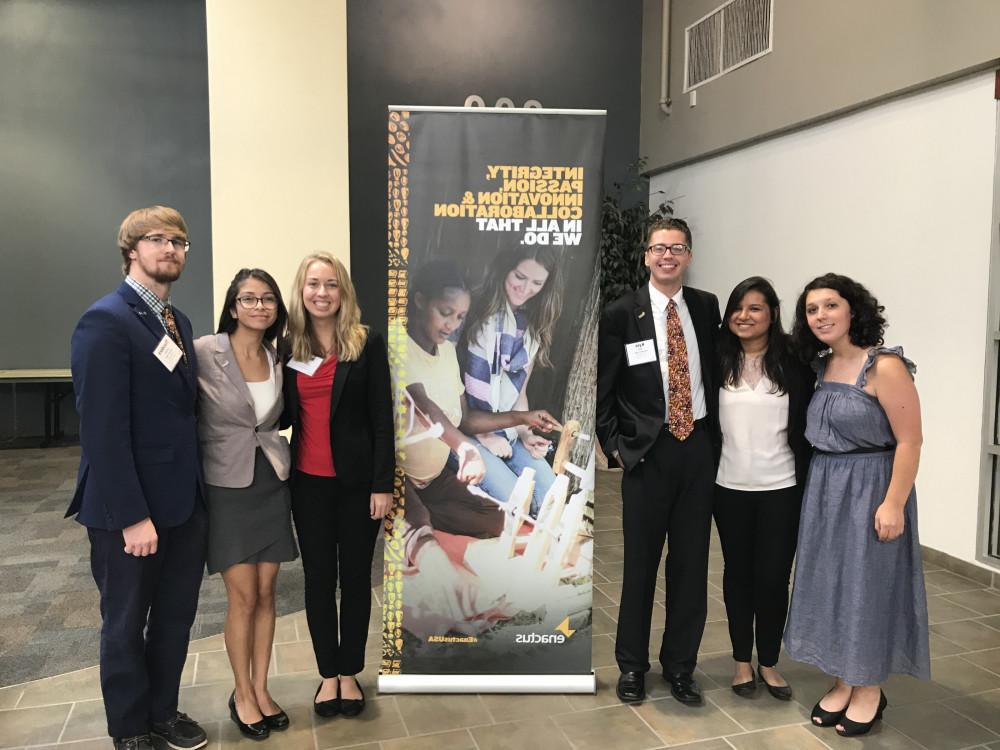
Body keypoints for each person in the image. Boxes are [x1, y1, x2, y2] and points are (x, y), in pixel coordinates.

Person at [68, 206, 208, 750]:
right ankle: (129, 729)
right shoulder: (106, 319)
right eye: (158, 239)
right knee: (125, 625)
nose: (171, 248)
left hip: (182, 504)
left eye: (180, 240)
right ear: (132, 249)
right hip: (129, 512)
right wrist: (132, 516)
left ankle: (163, 711)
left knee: (175, 618)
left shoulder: (178, 321)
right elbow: (102, 431)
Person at [784, 273, 929, 737]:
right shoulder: (821, 366)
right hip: (827, 487)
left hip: (872, 487)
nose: (820, 316)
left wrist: (893, 503)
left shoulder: (884, 366)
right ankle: (844, 679)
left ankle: (869, 688)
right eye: (812, 309)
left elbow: (910, 441)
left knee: (869, 588)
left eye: (830, 305)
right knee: (833, 586)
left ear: (853, 310)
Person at [596, 217, 720, 705]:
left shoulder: (707, 307)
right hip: (648, 453)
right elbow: (605, 387)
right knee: (640, 566)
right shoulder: (622, 313)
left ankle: (681, 667)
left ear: (688, 255)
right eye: (659, 248)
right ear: (646, 256)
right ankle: (632, 666)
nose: (668, 256)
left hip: (698, 450)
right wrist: (615, 447)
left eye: (678, 247)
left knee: (691, 566)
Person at [280, 253, 393, 719]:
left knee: (356, 579)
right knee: (319, 580)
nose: (321, 293)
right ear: (301, 291)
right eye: (313, 284)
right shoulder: (288, 347)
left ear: (342, 292)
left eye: (330, 284)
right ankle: (329, 673)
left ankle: (351, 672)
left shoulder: (365, 343)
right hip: (308, 486)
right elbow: (280, 413)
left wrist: (382, 484)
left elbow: (382, 419)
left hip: (358, 485)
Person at [193, 269, 297, 740]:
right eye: (249, 298)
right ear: (233, 306)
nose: (259, 306)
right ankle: (240, 692)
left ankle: (261, 686)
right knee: (243, 595)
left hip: (270, 480)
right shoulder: (203, 352)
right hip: (225, 483)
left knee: (268, 592)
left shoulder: (279, 357)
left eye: (267, 299)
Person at [395, 259, 560, 538]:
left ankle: (417, 515)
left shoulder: (445, 350)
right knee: (425, 523)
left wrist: (523, 421)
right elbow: (423, 405)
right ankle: (413, 518)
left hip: (440, 474)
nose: (451, 325)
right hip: (407, 472)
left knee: (507, 517)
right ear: (420, 300)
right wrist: (467, 449)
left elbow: (468, 418)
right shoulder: (398, 342)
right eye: (446, 313)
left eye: (459, 317)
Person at [712, 277, 813, 700]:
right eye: (738, 307)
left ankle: (769, 662)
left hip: (781, 487)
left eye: (755, 308)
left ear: (772, 313)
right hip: (728, 486)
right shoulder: (715, 359)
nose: (744, 316)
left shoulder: (796, 363)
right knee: (738, 575)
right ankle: (740, 662)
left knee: (773, 578)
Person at [458, 246, 564, 515]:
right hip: (465, 430)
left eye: (537, 282)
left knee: (551, 496)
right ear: (505, 269)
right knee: (515, 502)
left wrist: (526, 433)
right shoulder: (471, 314)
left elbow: (519, 397)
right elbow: (461, 414)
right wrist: (485, 435)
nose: (526, 288)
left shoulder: (531, 328)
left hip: (505, 429)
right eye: (520, 276)